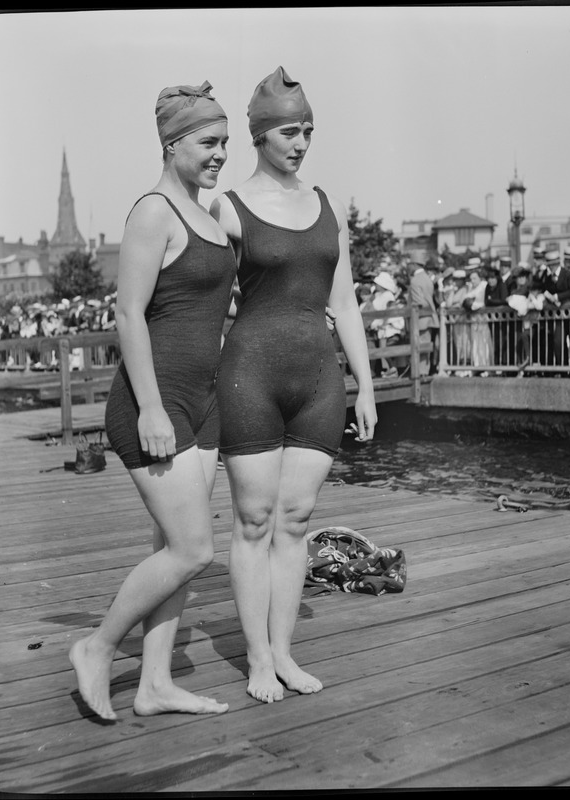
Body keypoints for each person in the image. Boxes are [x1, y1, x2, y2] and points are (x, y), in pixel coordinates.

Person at [69, 81, 235, 721]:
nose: (220, 153)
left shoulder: (209, 212)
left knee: (174, 547)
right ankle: (97, 646)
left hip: (203, 399)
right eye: (208, 141)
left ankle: (155, 684)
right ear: (171, 143)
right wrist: (151, 408)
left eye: (225, 141)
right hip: (155, 404)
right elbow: (128, 315)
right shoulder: (153, 211)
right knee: (194, 550)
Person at [210, 66, 377, 704]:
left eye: (308, 130)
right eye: (289, 131)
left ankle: (284, 651)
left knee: (296, 520)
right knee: (253, 520)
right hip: (250, 376)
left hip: (317, 380)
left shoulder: (326, 204)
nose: (301, 142)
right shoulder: (227, 207)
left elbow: (347, 303)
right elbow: (197, 290)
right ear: (259, 136)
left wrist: (363, 384)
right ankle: (256, 659)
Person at [409, 260, 439, 375]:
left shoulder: (415, 280)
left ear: (414, 264)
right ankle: (424, 371)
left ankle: (420, 373)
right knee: (426, 347)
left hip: (420, 318)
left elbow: (418, 302)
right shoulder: (427, 277)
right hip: (430, 317)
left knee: (420, 347)